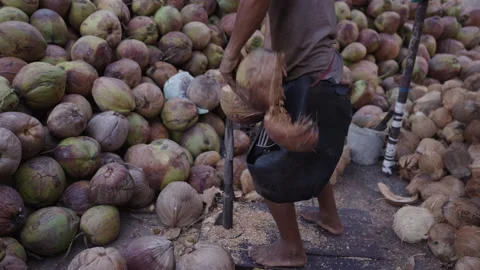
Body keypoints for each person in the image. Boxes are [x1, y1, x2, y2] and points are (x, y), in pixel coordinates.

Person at [219, 0, 353, 268]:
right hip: (321, 68)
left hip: (310, 73)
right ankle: (329, 216)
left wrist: (231, 53)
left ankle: (291, 249)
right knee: (311, 154)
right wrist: (269, 56)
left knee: (266, 163)